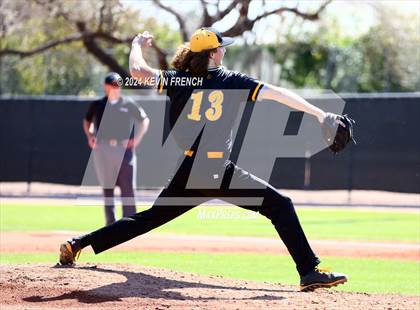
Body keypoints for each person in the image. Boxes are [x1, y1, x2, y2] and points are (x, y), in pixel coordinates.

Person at [61, 28, 347, 292]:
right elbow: (279, 94)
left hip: (189, 170)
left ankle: (78, 243)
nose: (224, 51)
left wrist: (136, 44)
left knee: (147, 218)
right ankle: (309, 271)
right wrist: (319, 114)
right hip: (215, 169)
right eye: (220, 48)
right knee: (280, 206)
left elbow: (137, 70)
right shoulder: (231, 80)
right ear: (212, 54)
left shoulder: (179, 80)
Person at [83, 72, 150, 225]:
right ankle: (110, 224)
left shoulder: (128, 103)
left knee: (127, 188)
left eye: (119, 85)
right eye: (113, 84)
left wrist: (137, 139)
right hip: (103, 148)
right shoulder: (98, 104)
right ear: (106, 86)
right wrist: (90, 135)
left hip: (123, 149)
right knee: (107, 187)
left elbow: (144, 120)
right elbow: (87, 121)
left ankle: (130, 224)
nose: (116, 88)